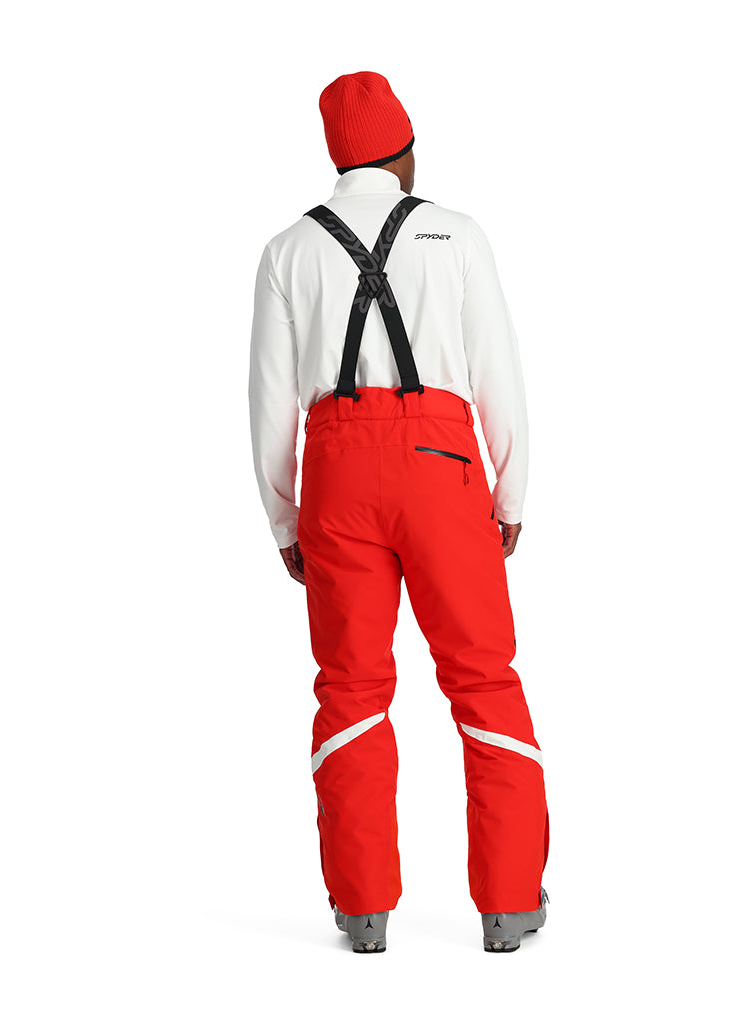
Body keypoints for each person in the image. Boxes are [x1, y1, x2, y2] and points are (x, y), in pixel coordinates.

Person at [247, 70, 549, 953]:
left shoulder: (286, 251)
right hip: (443, 468)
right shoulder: (457, 233)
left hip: (336, 477)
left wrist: (285, 520)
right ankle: (509, 902)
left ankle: (363, 906)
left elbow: (269, 401)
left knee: (349, 686)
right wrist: (511, 494)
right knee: (483, 678)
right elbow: (498, 372)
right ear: (406, 151)